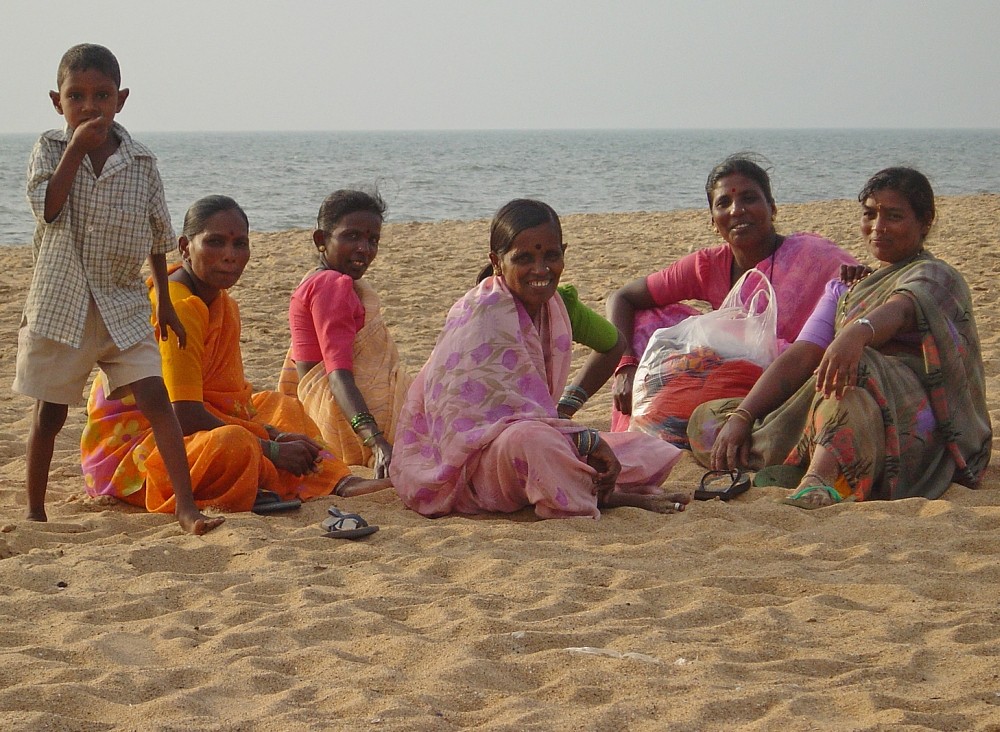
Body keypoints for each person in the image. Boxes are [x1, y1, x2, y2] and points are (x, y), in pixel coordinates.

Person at [692, 167, 991, 507]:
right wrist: (743, 417)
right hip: (842, 408)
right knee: (709, 419)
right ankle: (814, 461)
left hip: (914, 426)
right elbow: (802, 356)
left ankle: (817, 478)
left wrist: (856, 334)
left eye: (893, 216)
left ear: (925, 222)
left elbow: (903, 308)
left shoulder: (937, 276)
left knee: (855, 366)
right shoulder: (848, 289)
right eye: (870, 215)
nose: (878, 228)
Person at [13, 43, 218, 535]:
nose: (89, 106)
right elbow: (49, 208)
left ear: (120, 100)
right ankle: (34, 511)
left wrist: (165, 303)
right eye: (76, 95)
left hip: (123, 302)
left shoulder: (141, 162)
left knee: (156, 397)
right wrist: (78, 149)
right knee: (50, 412)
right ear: (56, 102)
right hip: (62, 302)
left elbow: (156, 237)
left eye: (101, 95)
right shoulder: (50, 149)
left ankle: (186, 508)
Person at [81, 195, 389, 515]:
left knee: (280, 406)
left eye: (240, 244)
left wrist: (272, 433)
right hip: (139, 451)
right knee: (235, 444)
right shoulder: (178, 308)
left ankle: (334, 481)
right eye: (215, 242)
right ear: (186, 247)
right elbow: (181, 414)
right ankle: (272, 476)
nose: (230, 256)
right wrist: (271, 448)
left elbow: (227, 396)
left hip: (194, 424)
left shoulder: (223, 304)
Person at [390, 199, 687, 519]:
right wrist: (582, 437)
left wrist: (567, 407)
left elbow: (615, 345)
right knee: (532, 442)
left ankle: (576, 478)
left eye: (551, 255)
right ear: (497, 262)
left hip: (540, 432)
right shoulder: (481, 315)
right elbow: (481, 425)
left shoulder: (560, 305)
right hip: (475, 461)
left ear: (564, 253)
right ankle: (608, 497)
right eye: (524, 258)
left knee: (647, 451)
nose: (541, 269)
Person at [606, 154, 859, 437]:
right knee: (646, 322)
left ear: (772, 208)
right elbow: (623, 298)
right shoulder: (707, 265)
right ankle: (639, 432)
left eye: (749, 198)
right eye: (723, 203)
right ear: (714, 221)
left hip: (797, 378)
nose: (737, 210)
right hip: (733, 381)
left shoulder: (814, 257)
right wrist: (625, 365)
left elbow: (866, 291)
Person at [277, 190, 411, 479]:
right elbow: (337, 374)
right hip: (343, 427)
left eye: (372, 240)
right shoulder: (331, 286)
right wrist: (376, 442)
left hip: (327, 418)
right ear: (321, 240)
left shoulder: (315, 281)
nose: (364, 248)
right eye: (351, 237)